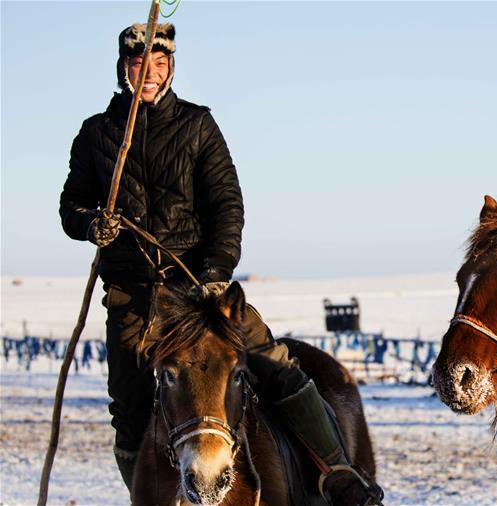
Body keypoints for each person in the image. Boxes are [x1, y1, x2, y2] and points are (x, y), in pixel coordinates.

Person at [59, 23, 380, 504]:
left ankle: (338, 471)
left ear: (169, 69)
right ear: (123, 68)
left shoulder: (197, 124)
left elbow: (227, 204)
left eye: (159, 64)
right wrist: (90, 225)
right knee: (128, 405)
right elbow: (71, 206)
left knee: (275, 365)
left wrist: (215, 271)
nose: (148, 73)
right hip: (131, 294)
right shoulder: (96, 134)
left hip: (197, 287)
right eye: (138, 64)